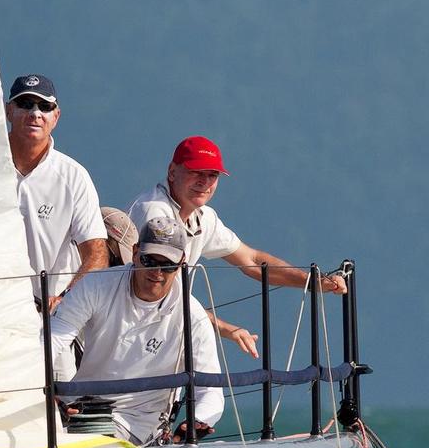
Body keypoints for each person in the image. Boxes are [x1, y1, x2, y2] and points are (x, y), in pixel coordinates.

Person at [127, 136, 347, 359]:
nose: (205, 182)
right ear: (172, 171)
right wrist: (226, 329)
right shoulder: (154, 215)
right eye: (196, 172)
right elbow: (160, 293)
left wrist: (313, 282)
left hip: (157, 336)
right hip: (129, 335)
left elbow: (251, 260)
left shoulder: (204, 217)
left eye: (212, 175)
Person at [50, 218, 224, 446]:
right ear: (134, 253)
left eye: (168, 264)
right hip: (78, 408)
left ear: (182, 264)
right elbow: (53, 340)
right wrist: (46, 395)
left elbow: (211, 391)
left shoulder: (193, 317)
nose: (157, 272)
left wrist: (196, 421)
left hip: (138, 423)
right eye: (149, 260)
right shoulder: (96, 286)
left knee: (87, 445)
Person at [8, 74, 108, 312]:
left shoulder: (74, 176)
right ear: (8, 111)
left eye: (44, 106)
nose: (35, 113)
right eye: (25, 104)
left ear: (56, 117)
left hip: (48, 316)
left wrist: (66, 298)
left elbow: (97, 254)